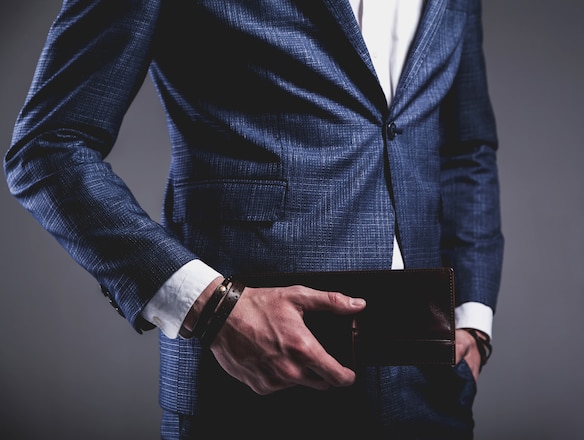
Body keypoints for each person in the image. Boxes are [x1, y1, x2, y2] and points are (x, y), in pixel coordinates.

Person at [4, 0, 503, 438]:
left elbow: (466, 149)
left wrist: (474, 321)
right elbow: (48, 148)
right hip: (250, 383)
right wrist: (210, 308)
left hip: (430, 385)